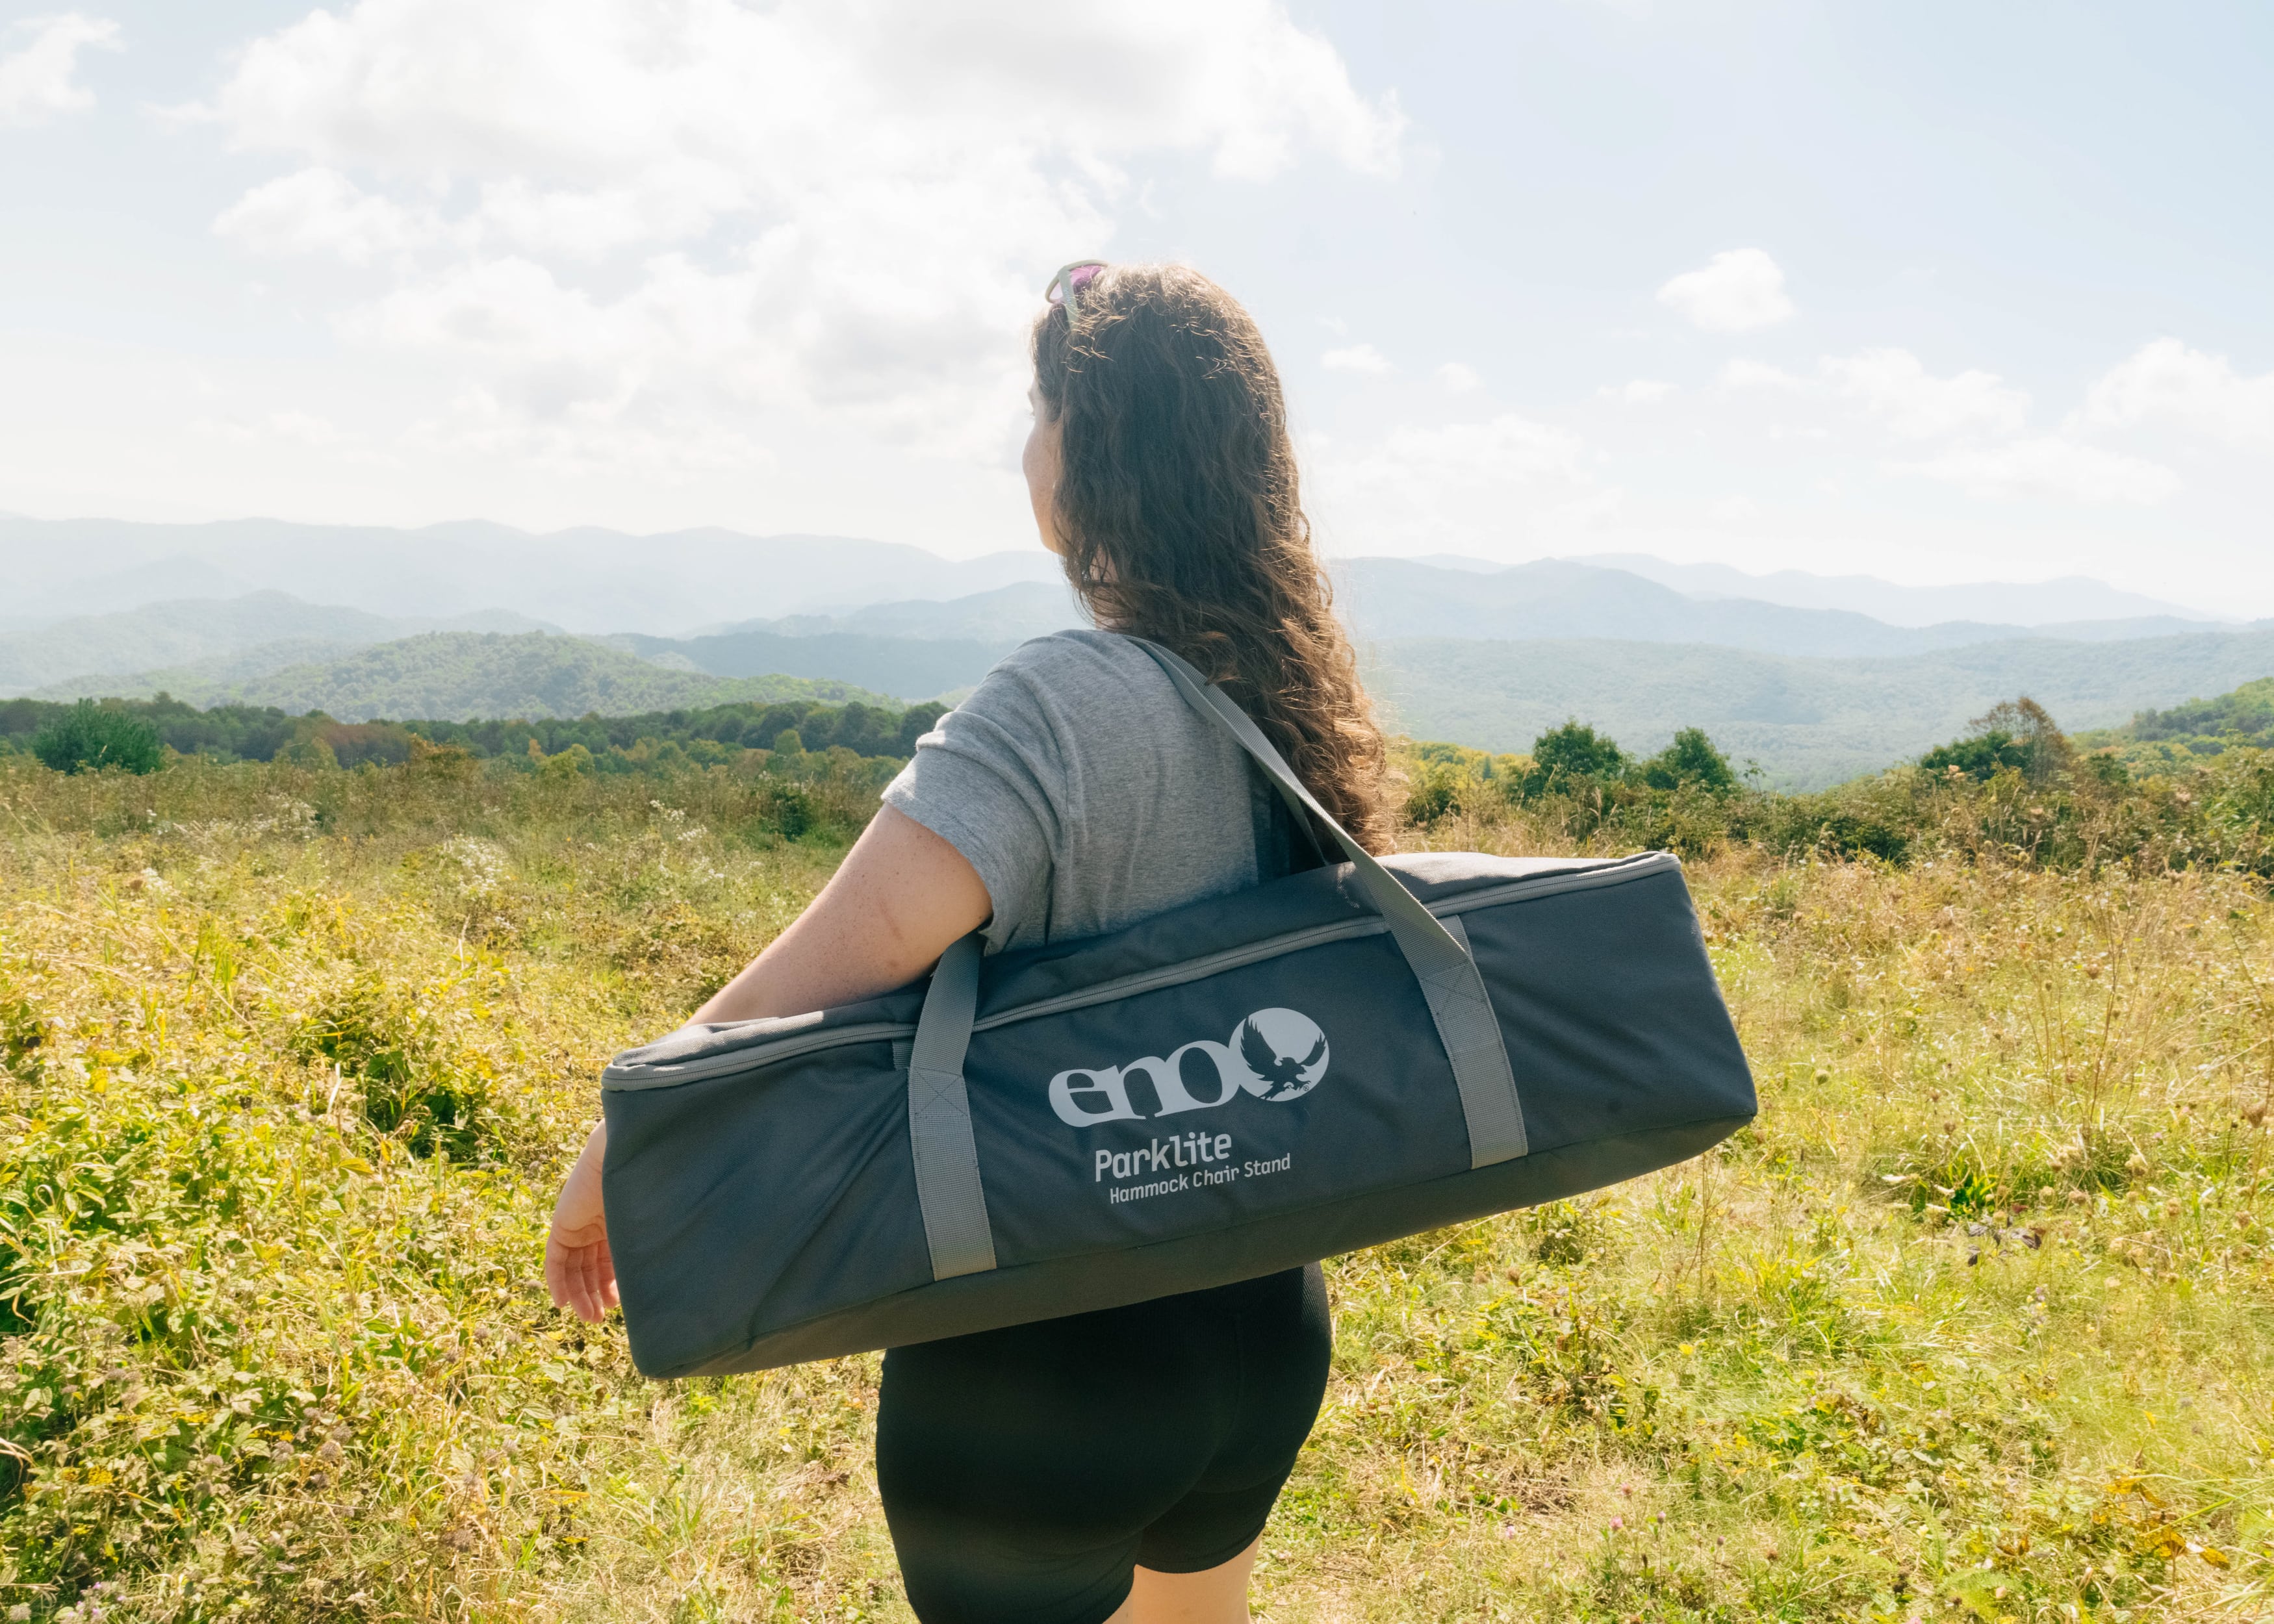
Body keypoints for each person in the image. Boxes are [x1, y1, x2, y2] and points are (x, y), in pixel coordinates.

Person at [546, 261, 1394, 1624]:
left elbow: (826, 967)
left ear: (1096, 451)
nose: (1024, 449)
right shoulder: (1289, 698)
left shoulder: (1060, 701)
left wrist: (615, 1145)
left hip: (1039, 1365)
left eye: (1040, 412)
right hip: (1257, 1322)